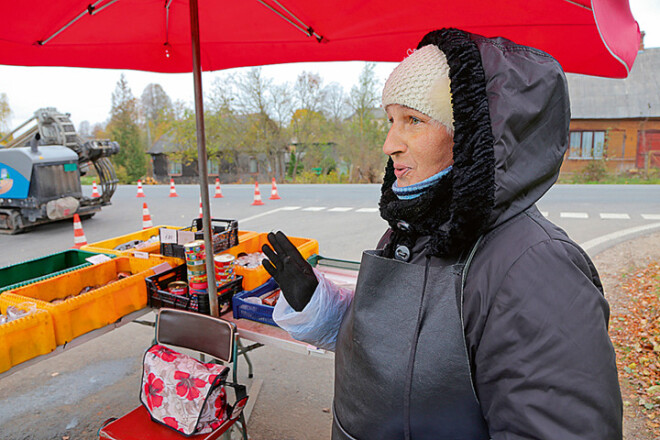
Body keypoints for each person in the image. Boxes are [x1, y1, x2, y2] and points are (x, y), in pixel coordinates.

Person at [261, 27, 622, 440]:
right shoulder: (413, 230)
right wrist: (318, 305)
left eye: (413, 120)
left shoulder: (537, 269)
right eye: (391, 120)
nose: (389, 144)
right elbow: (404, 348)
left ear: (472, 135)